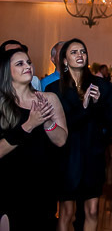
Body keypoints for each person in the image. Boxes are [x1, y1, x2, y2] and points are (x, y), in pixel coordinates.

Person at [46, 39, 112, 231]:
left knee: (92, 211)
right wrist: (84, 108)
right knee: (66, 212)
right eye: (74, 52)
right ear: (64, 61)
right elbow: (62, 124)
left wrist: (99, 103)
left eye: (82, 51)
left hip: (93, 156)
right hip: (67, 157)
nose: (79, 55)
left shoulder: (102, 86)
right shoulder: (54, 90)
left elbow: (110, 120)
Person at [0, 46, 67, 230]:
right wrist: (30, 124)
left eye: (28, 62)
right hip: (9, 186)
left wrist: (46, 122)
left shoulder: (49, 98)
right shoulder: (1, 104)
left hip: (42, 185)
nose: (28, 66)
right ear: (7, 71)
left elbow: (61, 140)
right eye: (20, 63)